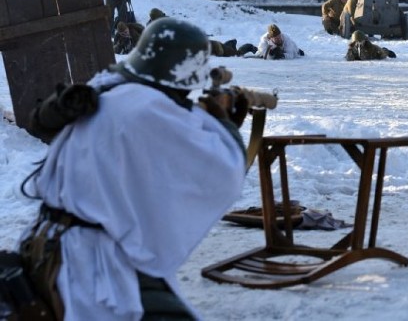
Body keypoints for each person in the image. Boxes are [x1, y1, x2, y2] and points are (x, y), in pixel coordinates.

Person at [19, 18, 247, 320]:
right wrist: (223, 120)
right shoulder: (149, 109)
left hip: (48, 243)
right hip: (88, 261)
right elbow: (224, 169)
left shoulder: (109, 90)